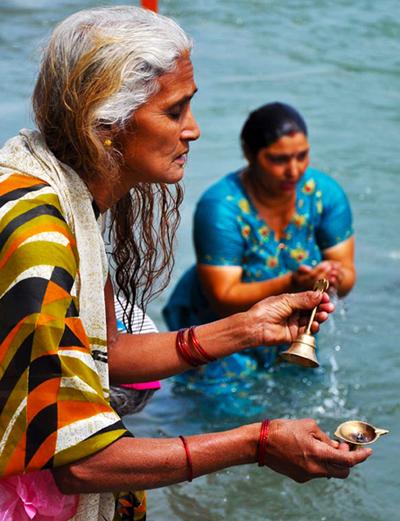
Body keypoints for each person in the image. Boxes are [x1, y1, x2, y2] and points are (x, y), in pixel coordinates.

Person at [0, 7, 370, 521]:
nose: (193, 131)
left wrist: (246, 328)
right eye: (175, 112)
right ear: (105, 124)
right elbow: (78, 460)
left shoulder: (70, 204)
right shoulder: (38, 240)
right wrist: (256, 444)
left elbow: (110, 352)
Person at [164, 102, 356, 390]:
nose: (294, 170)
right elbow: (223, 296)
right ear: (249, 153)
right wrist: (293, 282)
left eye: (302, 156)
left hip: (289, 329)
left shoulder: (323, 194)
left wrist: (334, 277)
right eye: (279, 159)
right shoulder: (222, 207)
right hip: (222, 331)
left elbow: (348, 275)